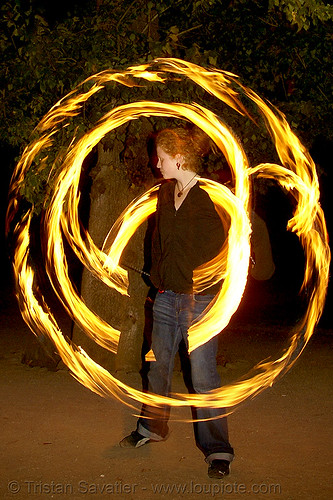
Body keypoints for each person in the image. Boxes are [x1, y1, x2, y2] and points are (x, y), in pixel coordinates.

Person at [120, 127, 234, 479]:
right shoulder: (165, 194)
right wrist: (155, 277)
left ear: (179, 158)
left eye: (162, 158)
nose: (157, 164)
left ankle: (218, 449)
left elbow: (237, 242)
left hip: (200, 300)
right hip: (166, 297)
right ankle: (152, 427)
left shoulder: (214, 196)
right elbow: (157, 240)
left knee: (203, 376)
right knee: (157, 366)